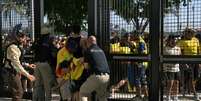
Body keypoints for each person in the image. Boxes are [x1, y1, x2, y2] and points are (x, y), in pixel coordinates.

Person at [4, 24, 35, 101]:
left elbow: (18, 62)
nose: (25, 39)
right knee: (18, 93)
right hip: (12, 72)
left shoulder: (17, 47)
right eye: (22, 37)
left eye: (24, 36)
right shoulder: (13, 47)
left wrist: (28, 65)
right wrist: (28, 75)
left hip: (15, 71)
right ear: (17, 37)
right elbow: (16, 64)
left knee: (18, 93)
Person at [79, 36, 110, 101]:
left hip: (97, 76)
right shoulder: (101, 50)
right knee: (102, 97)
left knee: (83, 92)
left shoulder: (88, 51)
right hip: (107, 76)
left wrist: (82, 61)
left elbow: (86, 67)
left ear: (88, 42)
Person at [32, 25, 57, 101]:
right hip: (45, 64)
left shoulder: (38, 40)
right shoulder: (49, 41)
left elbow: (32, 49)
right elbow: (54, 53)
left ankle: (36, 99)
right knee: (47, 85)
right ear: (48, 33)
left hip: (36, 64)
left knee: (37, 84)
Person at [177, 28, 200, 100]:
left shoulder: (196, 40)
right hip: (187, 61)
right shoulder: (182, 42)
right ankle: (194, 93)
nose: (190, 33)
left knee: (196, 76)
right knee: (190, 77)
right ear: (185, 33)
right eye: (188, 32)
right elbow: (181, 53)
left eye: (191, 32)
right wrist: (184, 62)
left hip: (196, 61)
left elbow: (198, 50)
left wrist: (199, 62)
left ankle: (187, 89)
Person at [163, 35, 181, 101]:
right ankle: (168, 96)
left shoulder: (178, 48)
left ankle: (175, 96)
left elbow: (179, 56)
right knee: (170, 83)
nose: (174, 41)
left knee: (176, 82)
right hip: (169, 69)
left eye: (175, 40)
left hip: (177, 68)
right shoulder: (165, 48)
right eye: (172, 39)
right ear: (169, 40)